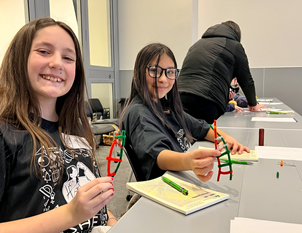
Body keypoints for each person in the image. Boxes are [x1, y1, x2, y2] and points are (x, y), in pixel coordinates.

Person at [0, 18, 117, 232]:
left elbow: (90, 193)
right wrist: (70, 214)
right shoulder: (5, 134)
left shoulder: (76, 128)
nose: (57, 63)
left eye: (68, 57)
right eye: (44, 51)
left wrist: (110, 220)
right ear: (19, 59)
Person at [119, 43, 250, 182]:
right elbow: (158, 155)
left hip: (182, 176)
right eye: (154, 70)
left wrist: (227, 139)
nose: (163, 79)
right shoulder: (139, 113)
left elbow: (203, 129)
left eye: (169, 72)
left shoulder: (168, 108)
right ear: (137, 73)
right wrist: (188, 161)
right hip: (166, 185)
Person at [178, 20, 264, 124]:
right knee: (208, 136)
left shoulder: (197, 44)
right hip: (207, 99)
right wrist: (253, 104)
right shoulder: (234, 45)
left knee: (187, 134)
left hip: (179, 97)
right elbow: (245, 79)